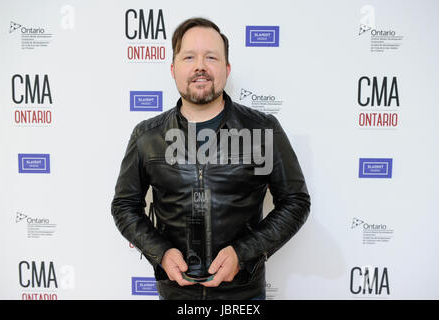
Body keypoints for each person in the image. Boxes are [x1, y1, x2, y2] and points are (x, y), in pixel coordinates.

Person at [111, 17, 310, 300]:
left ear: (227, 69)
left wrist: (243, 254)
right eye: (189, 57)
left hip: (244, 295)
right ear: (173, 69)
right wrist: (162, 253)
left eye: (211, 57)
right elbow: (125, 206)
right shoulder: (147, 136)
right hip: (176, 295)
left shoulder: (261, 131)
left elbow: (295, 201)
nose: (200, 66)